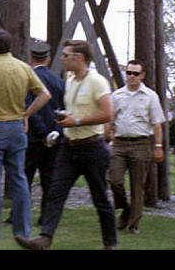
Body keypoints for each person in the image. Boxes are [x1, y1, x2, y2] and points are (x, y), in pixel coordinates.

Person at [16, 39, 116, 251]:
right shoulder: (69, 81)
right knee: (55, 192)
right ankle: (44, 239)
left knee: (100, 199)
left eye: (65, 55)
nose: (61, 59)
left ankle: (110, 244)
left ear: (78, 58)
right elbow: (76, 112)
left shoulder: (97, 82)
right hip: (69, 148)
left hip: (92, 149)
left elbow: (108, 113)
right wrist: (66, 117)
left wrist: (77, 121)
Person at [0, 30, 51, 240]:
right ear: (11, 46)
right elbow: (45, 94)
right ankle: (23, 230)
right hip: (16, 128)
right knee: (19, 179)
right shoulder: (23, 67)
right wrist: (27, 114)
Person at [106, 59, 166, 235]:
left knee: (137, 186)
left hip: (141, 144)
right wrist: (104, 139)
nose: (131, 76)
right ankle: (125, 209)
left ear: (142, 75)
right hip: (119, 144)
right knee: (115, 179)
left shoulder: (150, 96)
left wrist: (158, 146)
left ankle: (133, 223)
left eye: (135, 73)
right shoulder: (117, 95)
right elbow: (110, 120)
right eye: (129, 73)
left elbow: (157, 124)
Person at [23, 40, 65, 225]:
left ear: (31, 58)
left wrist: (41, 132)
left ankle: (20, 215)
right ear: (48, 60)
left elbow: (28, 108)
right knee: (49, 179)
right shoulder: (60, 82)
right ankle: (46, 216)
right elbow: (64, 110)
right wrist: (54, 132)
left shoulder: (28, 79)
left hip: (32, 137)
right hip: (55, 140)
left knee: (25, 178)